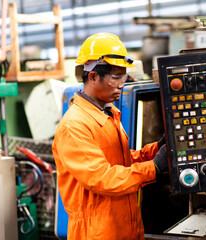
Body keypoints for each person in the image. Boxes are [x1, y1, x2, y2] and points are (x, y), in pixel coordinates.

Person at [52, 32, 168, 240]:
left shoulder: (108, 113)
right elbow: (102, 178)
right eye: (115, 78)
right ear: (93, 76)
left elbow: (120, 161)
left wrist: (155, 151)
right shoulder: (74, 126)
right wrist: (154, 167)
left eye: (123, 77)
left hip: (124, 227)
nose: (122, 84)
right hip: (96, 233)